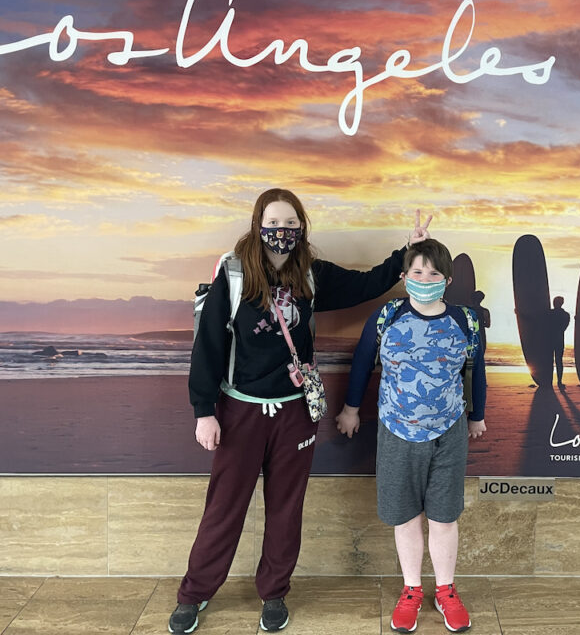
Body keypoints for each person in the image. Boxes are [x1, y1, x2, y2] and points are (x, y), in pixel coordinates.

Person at [169, 188, 431, 635]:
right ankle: (194, 594)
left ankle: (274, 594)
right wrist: (203, 410)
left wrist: (406, 252)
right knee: (224, 508)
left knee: (286, 509)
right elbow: (208, 346)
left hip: (295, 414)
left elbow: (366, 283)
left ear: (301, 228)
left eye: (292, 224)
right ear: (258, 224)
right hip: (241, 411)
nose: (283, 231)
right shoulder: (233, 274)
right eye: (275, 222)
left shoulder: (310, 274)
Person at [336, 239, 486, 634]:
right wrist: (351, 408)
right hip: (397, 430)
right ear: (404, 277)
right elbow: (364, 362)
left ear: (447, 279)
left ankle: (446, 590)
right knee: (405, 517)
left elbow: (476, 371)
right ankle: (412, 590)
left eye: (434, 273)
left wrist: (478, 416)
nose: (425, 279)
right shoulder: (387, 315)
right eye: (417, 272)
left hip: (449, 431)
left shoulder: (466, 321)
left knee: (443, 516)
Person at [550, 296, 571, 387]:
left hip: (549, 339)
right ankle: (559, 381)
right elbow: (564, 328)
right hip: (559, 339)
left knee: (550, 361)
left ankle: (549, 381)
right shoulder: (566, 315)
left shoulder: (549, 313)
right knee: (559, 360)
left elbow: (537, 321)